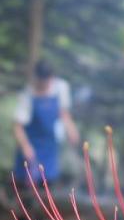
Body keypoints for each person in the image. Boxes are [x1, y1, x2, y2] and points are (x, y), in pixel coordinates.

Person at [13, 60, 80, 190]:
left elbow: (64, 114)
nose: (44, 85)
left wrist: (71, 129)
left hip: (50, 146)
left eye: (47, 82)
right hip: (31, 146)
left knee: (48, 183)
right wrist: (26, 146)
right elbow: (17, 126)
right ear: (36, 79)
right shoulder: (27, 95)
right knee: (26, 186)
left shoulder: (60, 88)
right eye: (41, 82)